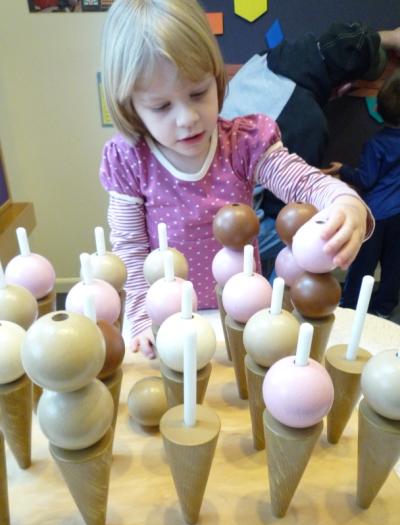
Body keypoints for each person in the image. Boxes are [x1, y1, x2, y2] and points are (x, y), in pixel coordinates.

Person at [99, 0, 372, 358]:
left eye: (198, 93)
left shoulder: (243, 143)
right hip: (168, 321)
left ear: (216, 79)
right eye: (162, 106)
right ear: (130, 106)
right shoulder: (131, 159)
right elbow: (130, 247)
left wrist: (345, 202)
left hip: (241, 314)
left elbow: (303, 182)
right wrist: (138, 319)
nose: (187, 118)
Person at [221, 23, 400, 277]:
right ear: (345, 86)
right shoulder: (306, 121)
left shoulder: (265, 59)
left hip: (208, 187)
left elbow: (337, 44)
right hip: (236, 222)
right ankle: (277, 294)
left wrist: (389, 37)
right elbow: (284, 207)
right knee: (304, 225)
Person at [323, 69, 400, 318]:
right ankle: (384, 307)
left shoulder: (376, 144)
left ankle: (350, 305)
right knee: (394, 264)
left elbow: (366, 179)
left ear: (378, 109)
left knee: (362, 264)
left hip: (376, 214)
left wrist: (342, 169)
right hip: (398, 214)